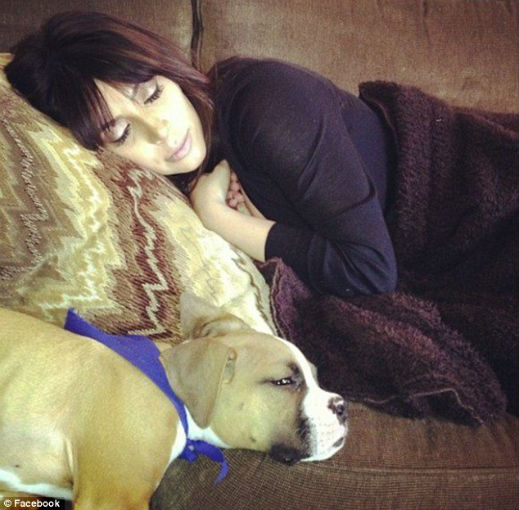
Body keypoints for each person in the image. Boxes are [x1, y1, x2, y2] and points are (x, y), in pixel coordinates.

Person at [5, 10, 397, 299]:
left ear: (169, 72)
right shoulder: (191, 177)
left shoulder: (266, 106)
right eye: (122, 133)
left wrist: (218, 218)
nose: (160, 130)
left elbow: (370, 273)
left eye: (152, 95)